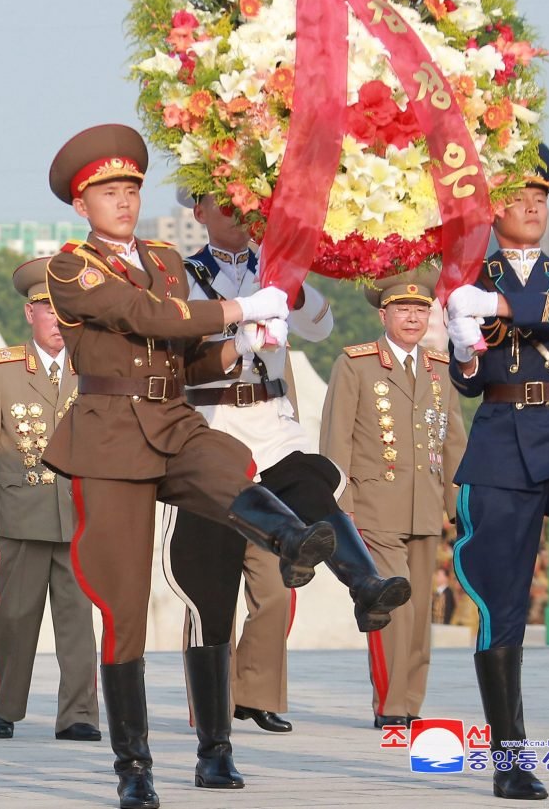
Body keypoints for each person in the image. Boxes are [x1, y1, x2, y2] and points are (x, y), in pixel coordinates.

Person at [42, 124, 410, 809]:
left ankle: (294, 538)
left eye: (130, 190)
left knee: (226, 461)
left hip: (179, 421)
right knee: (123, 612)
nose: (122, 201)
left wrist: (239, 347)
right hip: (113, 435)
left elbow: (190, 357)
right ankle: (135, 762)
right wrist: (240, 308)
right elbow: (143, 314)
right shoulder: (73, 266)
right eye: (107, 192)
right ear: (82, 203)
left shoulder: (161, 258)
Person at [442, 143, 549, 801]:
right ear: (492, 209)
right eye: (518, 197)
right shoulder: (468, 274)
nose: (533, 206)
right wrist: (460, 340)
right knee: (499, 605)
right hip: (504, 445)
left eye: (540, 197)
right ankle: (510, 757)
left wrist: (501, 309)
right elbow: (470, 380)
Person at [176, 189, 337, 739]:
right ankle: (212, 709)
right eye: (222, 204)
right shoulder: (184, 274)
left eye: (245, 204)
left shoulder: (273, 268)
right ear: (198, 213)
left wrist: (286, 278)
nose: (236, 215)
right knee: (210, 586)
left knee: (273, 585)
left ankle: (260, 693)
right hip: (212, 431)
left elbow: (322, 324)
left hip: (269, 432)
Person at [319, 270, 467, 730]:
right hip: (374, 502)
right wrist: (338, 506)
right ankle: (390, 705)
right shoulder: (357, 363)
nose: (412, 317)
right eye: (403, 309)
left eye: (421, 309)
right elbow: (335, 438)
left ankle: (411, 700)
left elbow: (453, 443)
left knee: (421, 610)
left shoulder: (440, 368)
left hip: (424, 504)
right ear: (383, 314)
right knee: (393, 600)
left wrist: (458, 505)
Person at [0, 257, 99, 743]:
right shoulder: (2, 370)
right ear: (30, 314)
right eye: (48, 309)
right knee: (15, 616)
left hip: (80, 516)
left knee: (77, 619)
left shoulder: (93, 368)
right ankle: (4, 708)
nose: (58, 322)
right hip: (21, 513)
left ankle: (80, 714)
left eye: (68, 311)